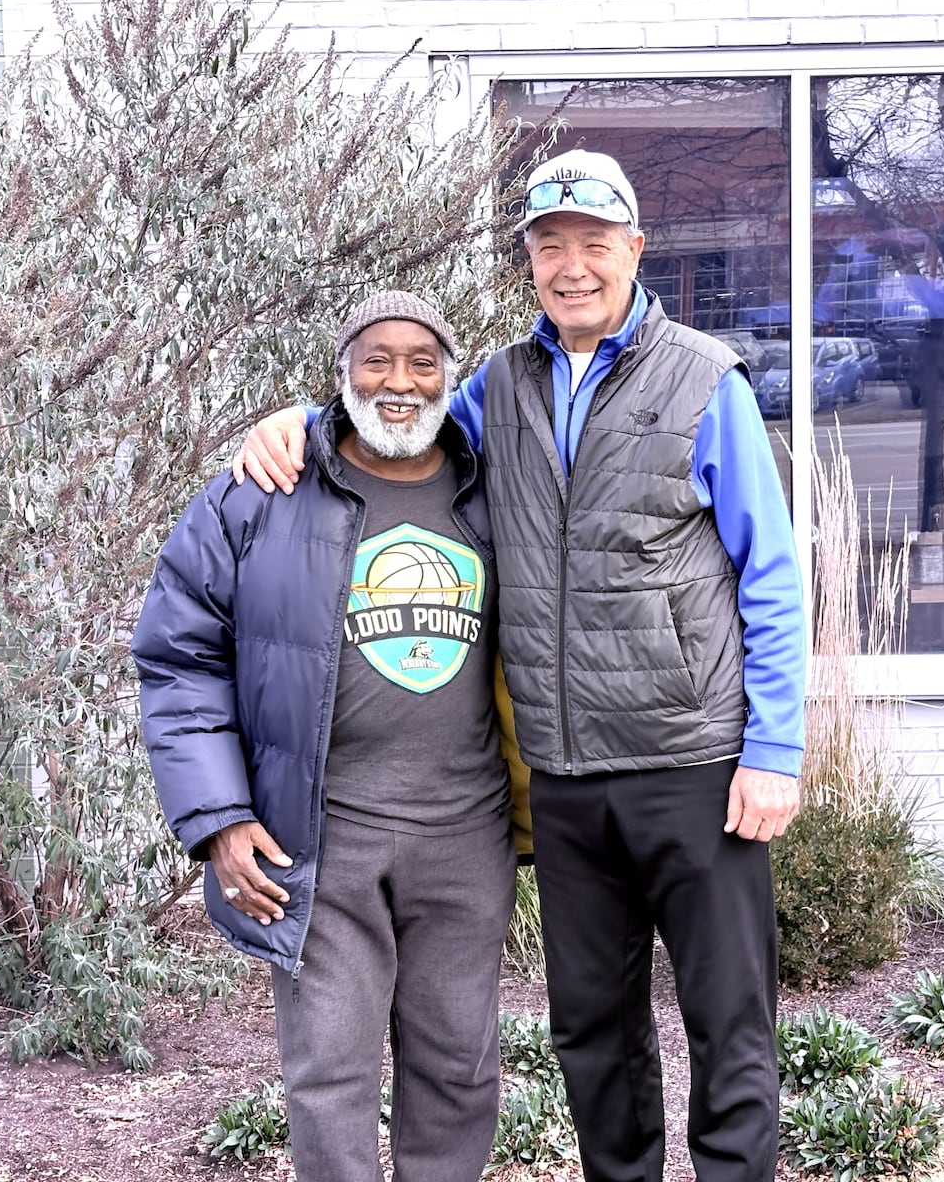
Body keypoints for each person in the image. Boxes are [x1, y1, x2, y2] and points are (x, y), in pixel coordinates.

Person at [233, 150, 807, 1182]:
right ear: (529, 264)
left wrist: (774, 748)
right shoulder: (496, 385)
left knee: (729, 1024)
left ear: (635, 249)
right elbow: (387, 435)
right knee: (591, 1033)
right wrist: (296, 424)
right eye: (551, 248)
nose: (573, 266)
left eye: (594, 243)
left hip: (696, 767)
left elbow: (770, 574)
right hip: (567, 778)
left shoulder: (703, 380)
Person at [133, 291, 518, 1182]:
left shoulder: (493, 488)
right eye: (376, 359)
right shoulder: (262, 490)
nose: (399, 381)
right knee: (329, 1075)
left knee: (458, 1072)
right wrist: (220, 820)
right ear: (342, 371)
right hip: (320, 836)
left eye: (422, 362)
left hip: (466, 835)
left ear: (449, 380)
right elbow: (178, 655)